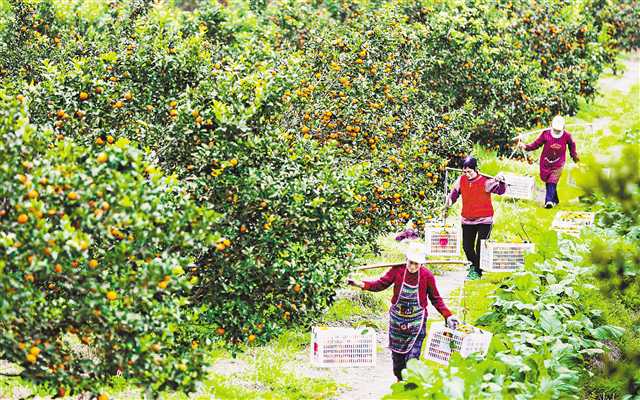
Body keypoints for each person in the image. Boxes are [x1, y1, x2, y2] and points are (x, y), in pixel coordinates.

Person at [347, 243, 459, 382]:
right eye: (411, 263)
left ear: (421, 264)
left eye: (416, 264)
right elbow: (379, 285)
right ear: (406, 259)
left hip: (417, 322)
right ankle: (400, 380)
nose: (412, 267)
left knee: (412, 358)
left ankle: (410, 384)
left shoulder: (427, 276)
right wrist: (360, 284)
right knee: (398, 361)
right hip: (397, 321)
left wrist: (448, 315)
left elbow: (435, 298)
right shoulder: (397, 271)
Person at [445, 156, 506, 280]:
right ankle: (474, 265)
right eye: (464, 172)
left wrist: (501, 181)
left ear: (475, 169)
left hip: (484, 219)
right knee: (467, 247)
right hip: (467, 219)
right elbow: (454, 195)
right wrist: (448, 202)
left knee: (480, 247)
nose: (467, 174)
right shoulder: (461, 180)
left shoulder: (486, 181)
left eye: (469, 172)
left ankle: (477, 271)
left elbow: (501, 191)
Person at [518, 115, 579, 208]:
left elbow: (572, 148)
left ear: (563, 128)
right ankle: (555, 200)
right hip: (545, 162)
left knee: (552, 180)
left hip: (559, 163)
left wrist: (576, 159)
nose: (557, 132)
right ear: (551, 126)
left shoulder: (567, 136)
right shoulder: (545, 134)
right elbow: (536, 144)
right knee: (548, 180)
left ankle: (548, 201)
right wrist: (525, 147)